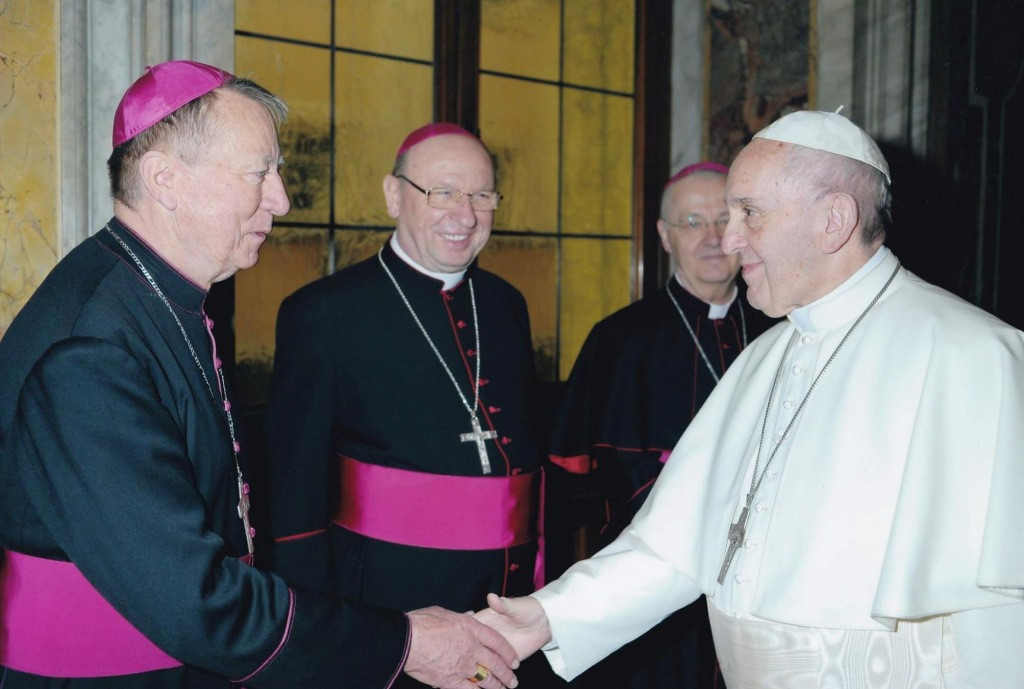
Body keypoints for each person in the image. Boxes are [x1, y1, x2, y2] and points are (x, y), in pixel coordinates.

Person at [0, 61, 520, 689]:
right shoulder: (90, 349)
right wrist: (404, 643)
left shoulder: (156, 295)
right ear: (165, 179)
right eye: (259, 173)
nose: (281, 199)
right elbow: (196, 600)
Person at [475, 109, 1024, 688]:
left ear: (834, 220)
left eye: (749, 214)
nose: (729, 239)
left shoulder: (975, 356)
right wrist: (550, 616)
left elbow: (1002, 611)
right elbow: (674, 547)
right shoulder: (764, 357)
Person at [265, 123, 548, 688]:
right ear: (394, 195)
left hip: (507, 601)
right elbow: (293, 498)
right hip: (389, 611)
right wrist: (321, 640)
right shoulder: (322, 313)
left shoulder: (506, 304)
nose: (465, 215)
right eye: (442, 192)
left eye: (481, 195)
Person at [548, 162, 774, 689]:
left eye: (725, 219)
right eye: (692, 222)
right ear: (664, 236)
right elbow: (578, 475)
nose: (713, 238)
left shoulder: (777, 328)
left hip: (762, 577)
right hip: (653, 584)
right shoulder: (620, 339)